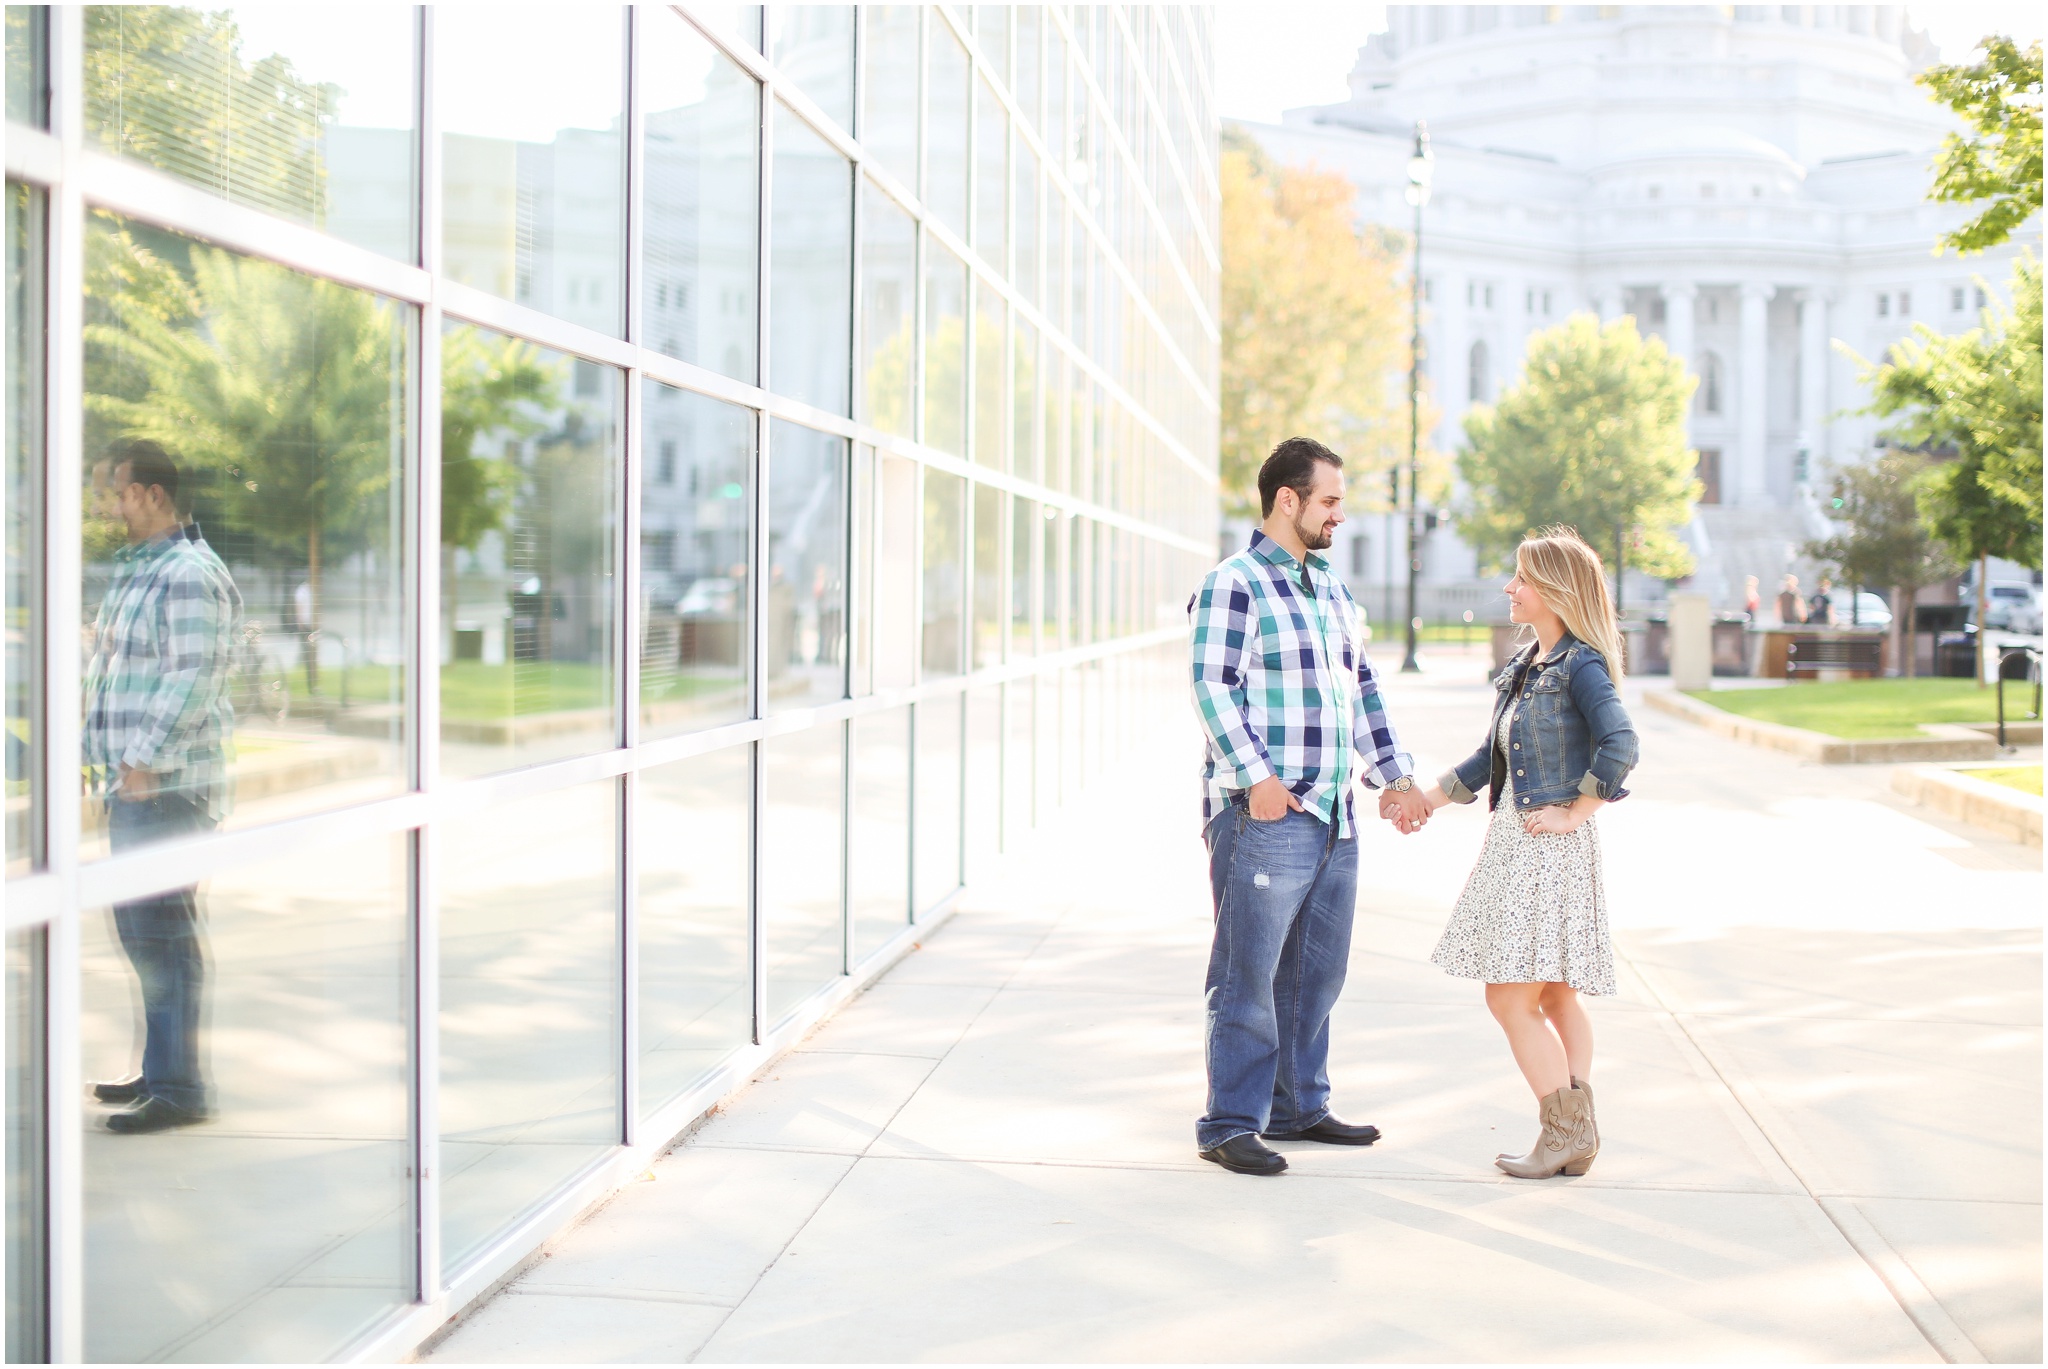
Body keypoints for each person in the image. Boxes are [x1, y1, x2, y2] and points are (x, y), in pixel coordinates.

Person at [1186, 436, 1430, 1177]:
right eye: (1329, 500)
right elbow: (1211, 684)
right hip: (1263, 814)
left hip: (1333, 815)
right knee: (1248, 975)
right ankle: (1230, 1121)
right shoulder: (1234, 584)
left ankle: (1297, 1105)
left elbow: (1362, 693)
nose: (1339, 515)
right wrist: (1255, 777)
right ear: (1285, 500)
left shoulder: (1331, 591)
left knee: (1315, 976)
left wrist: (1395, 776)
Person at [1417, 527, 1638, 1179]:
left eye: (1522, 579)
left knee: (1511, 998)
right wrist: (1428, 798)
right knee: (1556, 997)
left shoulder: (1581, 666)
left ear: (1556, 591)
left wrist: (1576, 810)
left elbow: (1620, 744)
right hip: (1526, 839)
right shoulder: (1530, 668)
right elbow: (1490, 757)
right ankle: (1575, 1134)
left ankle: (1565, 1129)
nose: (1510, 589)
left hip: (1549, 846)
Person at [83, 440, 241, 1135]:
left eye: (112, 492)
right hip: (137, 784)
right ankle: (162, 1067)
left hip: (168, 787)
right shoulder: (143, 570)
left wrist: (141, 761)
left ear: (149, 493)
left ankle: (181, 1088)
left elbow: (193, 674)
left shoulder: (185, 572)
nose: (104, 507)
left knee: (164, 934)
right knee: (144, 934)